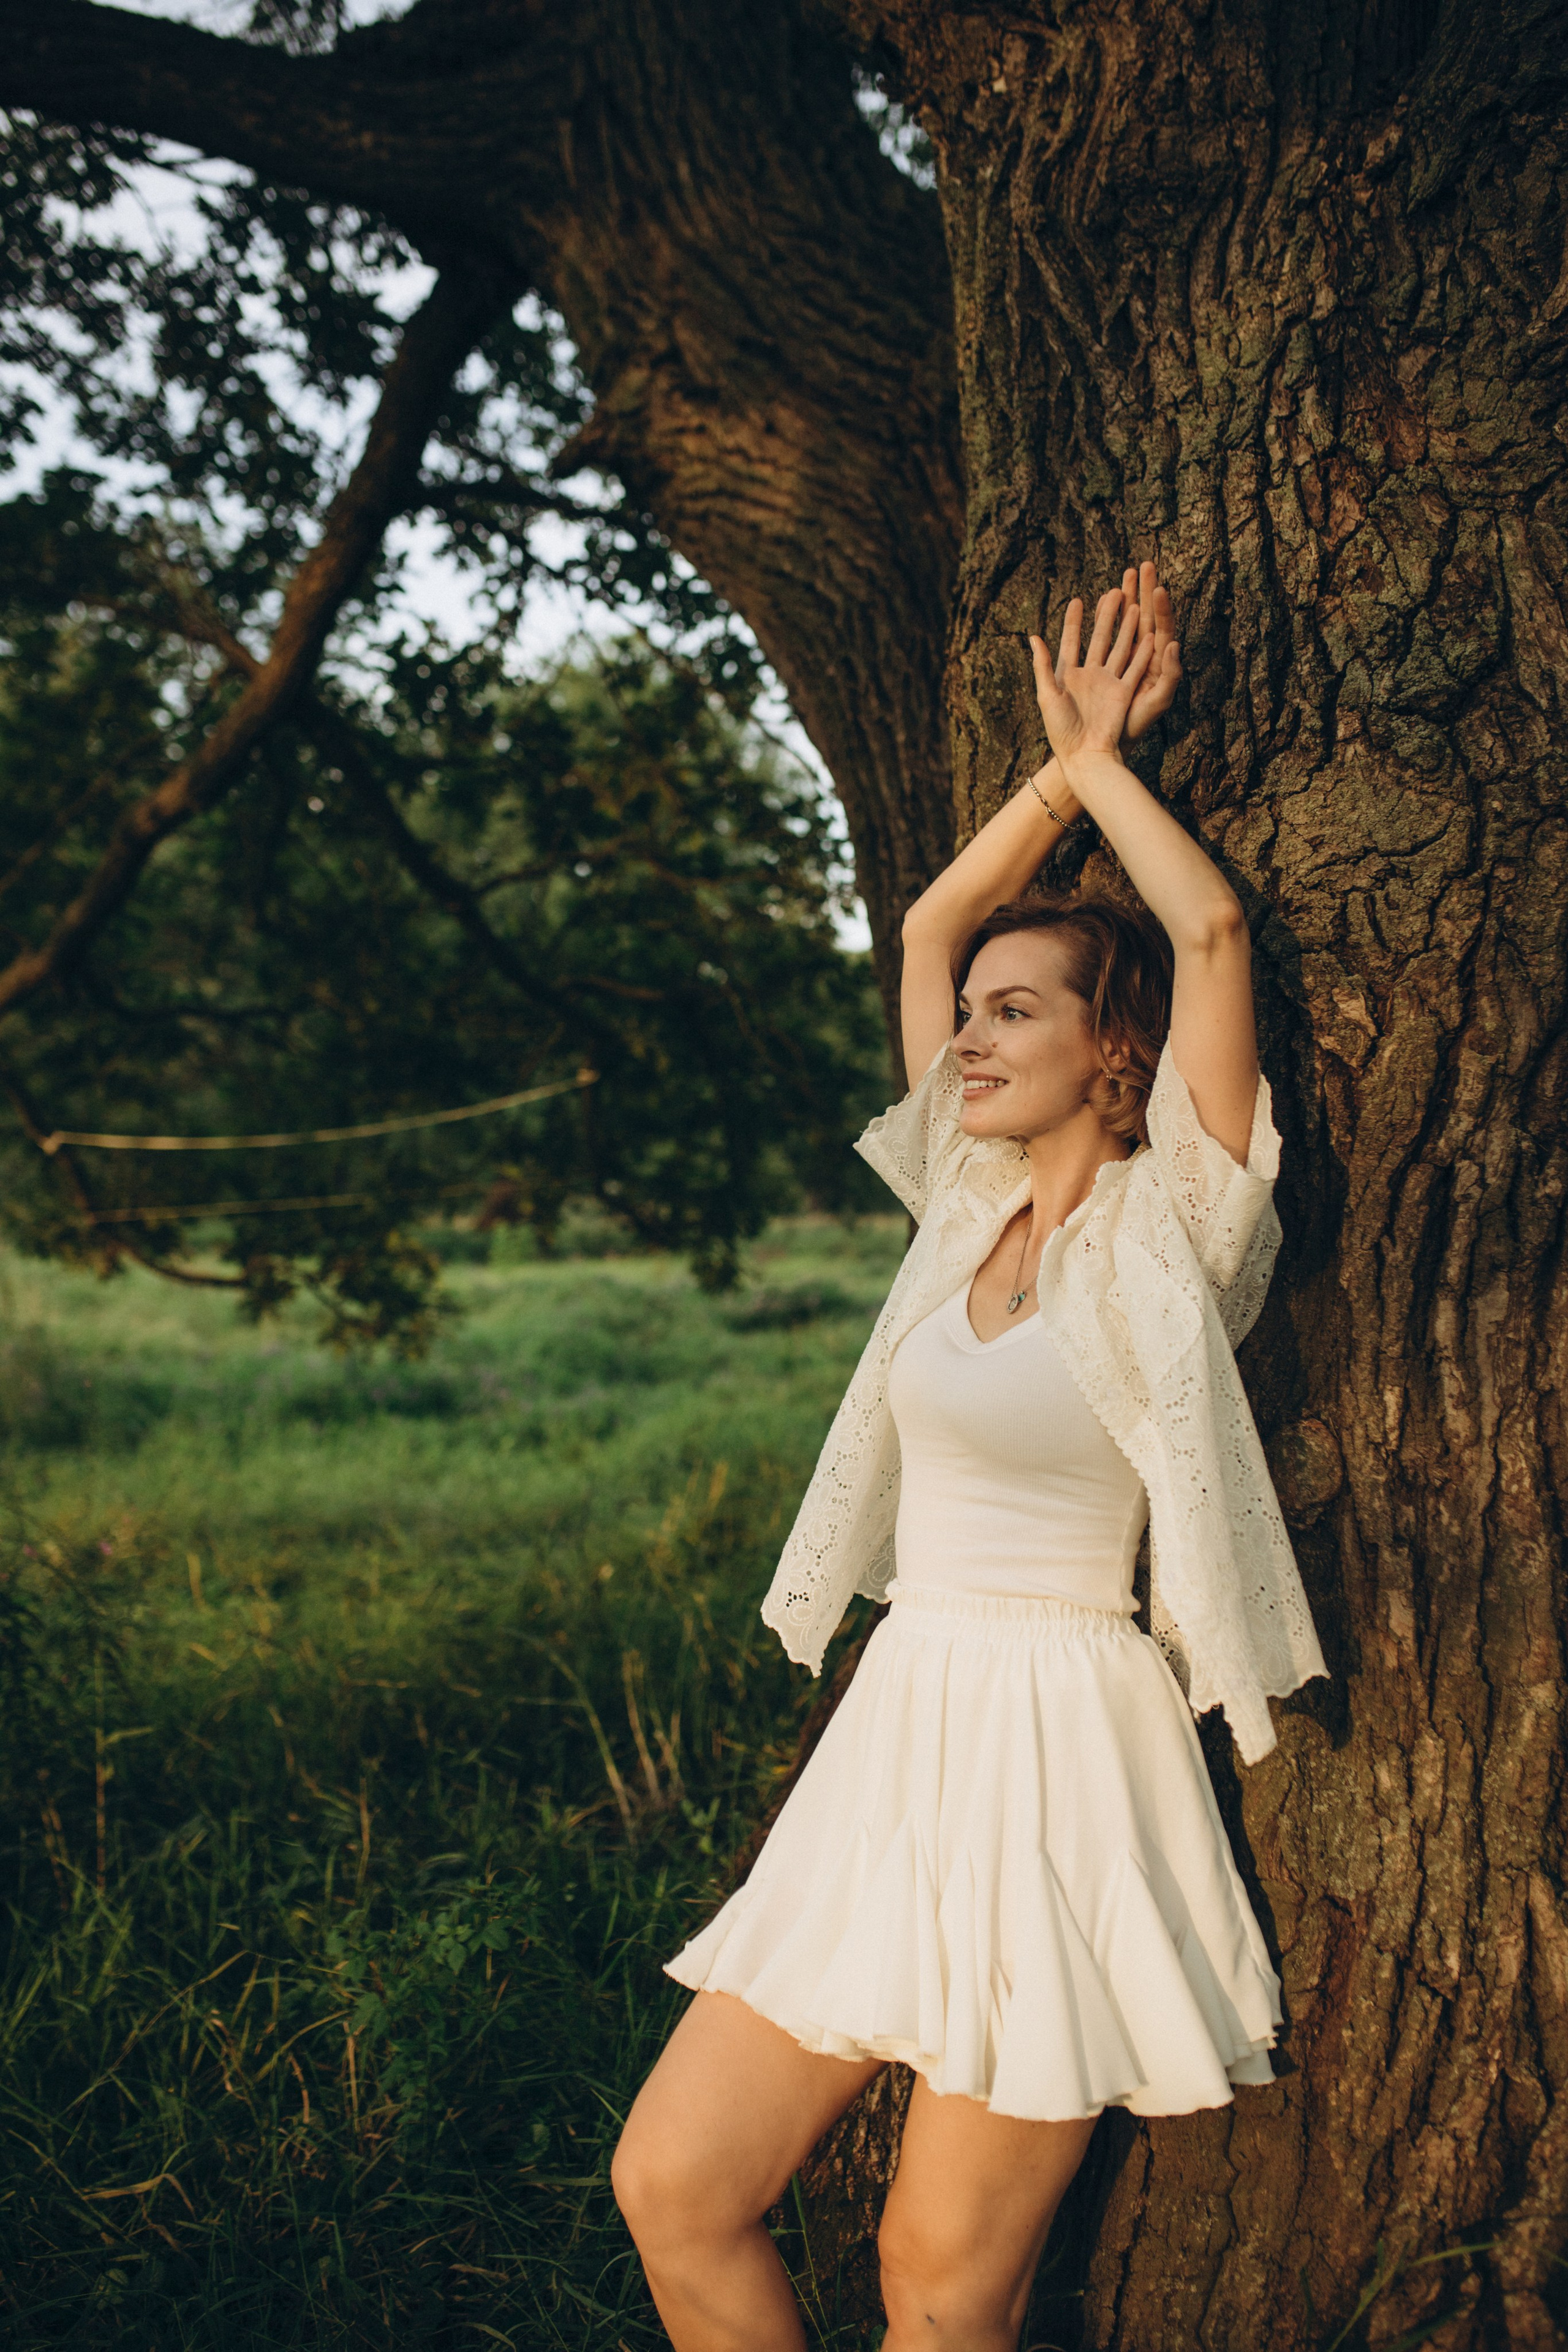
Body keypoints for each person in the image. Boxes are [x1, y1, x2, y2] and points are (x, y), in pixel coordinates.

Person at [612, 562, 1327, 2352]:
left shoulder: (1184, 1230)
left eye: (1025, 1013)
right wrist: (1056, 772)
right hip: (898, 1731)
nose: (975, 1037)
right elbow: (931, 930)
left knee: (940, 2286)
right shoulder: (961, 1201)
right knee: (679, 2188)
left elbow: (1218, 939)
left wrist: (1115, 777)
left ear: (1120, 1054)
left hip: (1064, 1747)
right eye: (982, 1017)